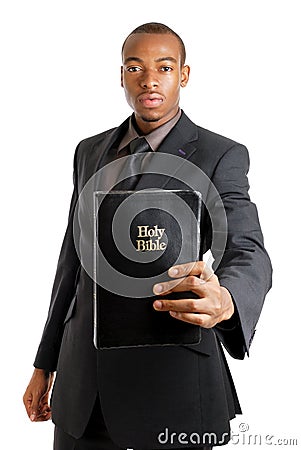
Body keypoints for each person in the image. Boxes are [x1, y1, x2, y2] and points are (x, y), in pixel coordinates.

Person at [23, 22, 272, 450]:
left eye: (164, 67)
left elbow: (246, 248)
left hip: (172, 386)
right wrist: (44, 363)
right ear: (122, 76)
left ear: (184, 75)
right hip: (84, 389)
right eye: (135, 67)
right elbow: (71, 263)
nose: (150, 79)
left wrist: (226, 300)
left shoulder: (219, 155)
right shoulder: (89, 151)